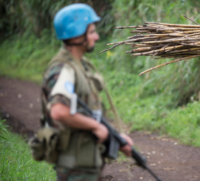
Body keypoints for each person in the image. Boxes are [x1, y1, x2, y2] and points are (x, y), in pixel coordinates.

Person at [40, 3, 133, 181]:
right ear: (76, 35)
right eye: (91, 32)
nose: (97, 37)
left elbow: (87, 112)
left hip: (85, 160)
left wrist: (116, 138)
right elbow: (59, 110)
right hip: (74, 165)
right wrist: (96, 127)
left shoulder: (80, 66)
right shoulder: (64, 69)